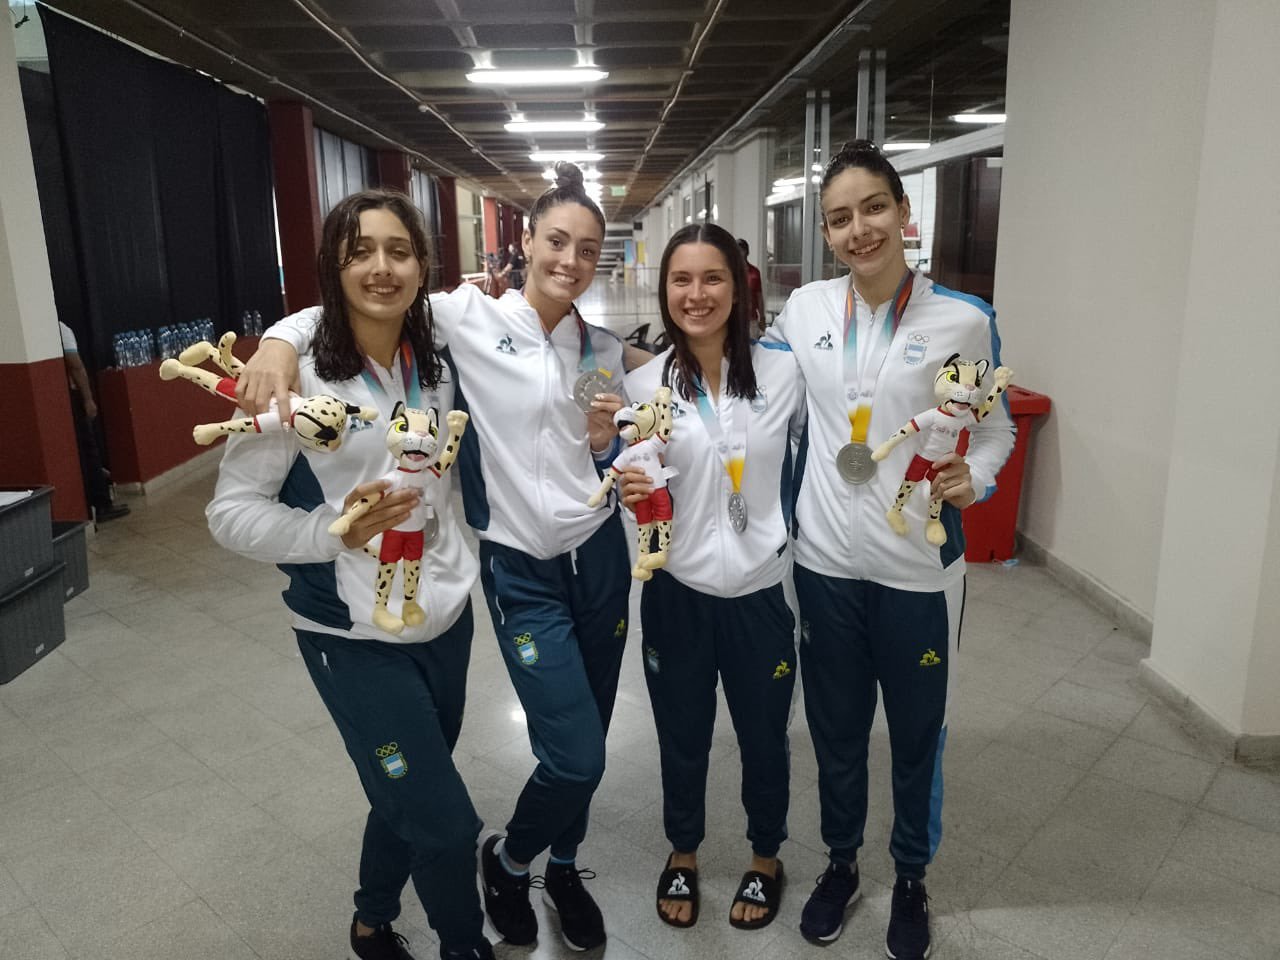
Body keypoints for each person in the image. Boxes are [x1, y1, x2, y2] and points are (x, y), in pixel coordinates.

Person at [238, 164, 630, 953]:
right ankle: (487, 898)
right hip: (488, 579)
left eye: (588, 248)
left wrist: (604, 446)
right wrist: (280, 342)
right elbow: (346, 308)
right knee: (539, 769)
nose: (570, 259)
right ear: (525, 242)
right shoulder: (467, 323)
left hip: (540, 576)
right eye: (556, 240)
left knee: (457, 774)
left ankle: (544, 871)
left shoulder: (593, 348)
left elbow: (599, 448)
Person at [206, 189, 493, 960]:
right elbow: (230, 513)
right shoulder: (295, 383)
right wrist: (329, 535)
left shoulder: (434, 363)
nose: (381, 267)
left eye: (398, 250)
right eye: (358, 251)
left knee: (401, 790)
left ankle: (371, 923)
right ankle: (467, 949)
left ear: (423, 266)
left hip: (444, 620)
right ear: (333, 268)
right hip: (352, 635)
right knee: (446, 823)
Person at [767, 140, 1014, 960]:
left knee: (917, 732)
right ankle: (841, 862)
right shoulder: (803, 309)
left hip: (918, 570)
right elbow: (750, 392)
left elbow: (996, 423)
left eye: (874, 208)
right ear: (827, 233)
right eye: (839, 218)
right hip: (826, 567)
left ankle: (911, 876)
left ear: (905, 215)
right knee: (836, 729)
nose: (858, 229)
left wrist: (974, 477)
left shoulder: (963, 318)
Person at [621, 223, 804, 931]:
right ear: (665, 292)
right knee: (683, 732)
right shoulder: (644, 384)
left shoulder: (785, 372)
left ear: (738, 285)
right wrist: (627, 493)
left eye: (712, 278)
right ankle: (684, 850)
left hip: (761, 591)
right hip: (678, 592)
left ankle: (765, 858)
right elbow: (633, 482)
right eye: (681, 280)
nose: (696, 295)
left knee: (765, 736)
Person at [59, 320, 130, 523]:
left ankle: (93, 503)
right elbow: (76, 365)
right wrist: (88, 398)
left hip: (60, 400)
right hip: (72, 397)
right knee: (88, 451)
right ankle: (101, 504)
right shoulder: (61, 329)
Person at [737, 238, 765, 337]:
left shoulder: (754, 272)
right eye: (737, 250)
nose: (740, 253)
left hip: (751, 317)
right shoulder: (730, 271)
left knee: (752, 347)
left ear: (746, 252)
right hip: (735, 318)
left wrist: (762, 316)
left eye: (742, 250)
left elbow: (759, 296)